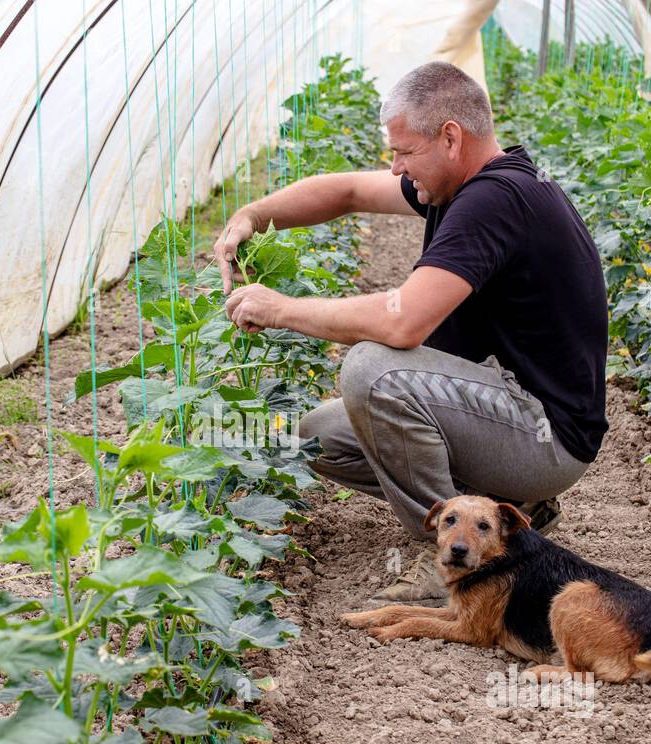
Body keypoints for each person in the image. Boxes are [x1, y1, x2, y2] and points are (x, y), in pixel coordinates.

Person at [214, 61, 608, 604]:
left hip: (546, 439)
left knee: (372, 373)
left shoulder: (493, 202)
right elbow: (349, 191)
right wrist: (252, 216)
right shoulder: (462, 182)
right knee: (312, 440)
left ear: (451, 137)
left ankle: (460, 558)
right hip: (509, 414)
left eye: (404, 151)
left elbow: (402, 320)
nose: (396, 166)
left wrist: (281, 308)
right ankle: (511, 508)